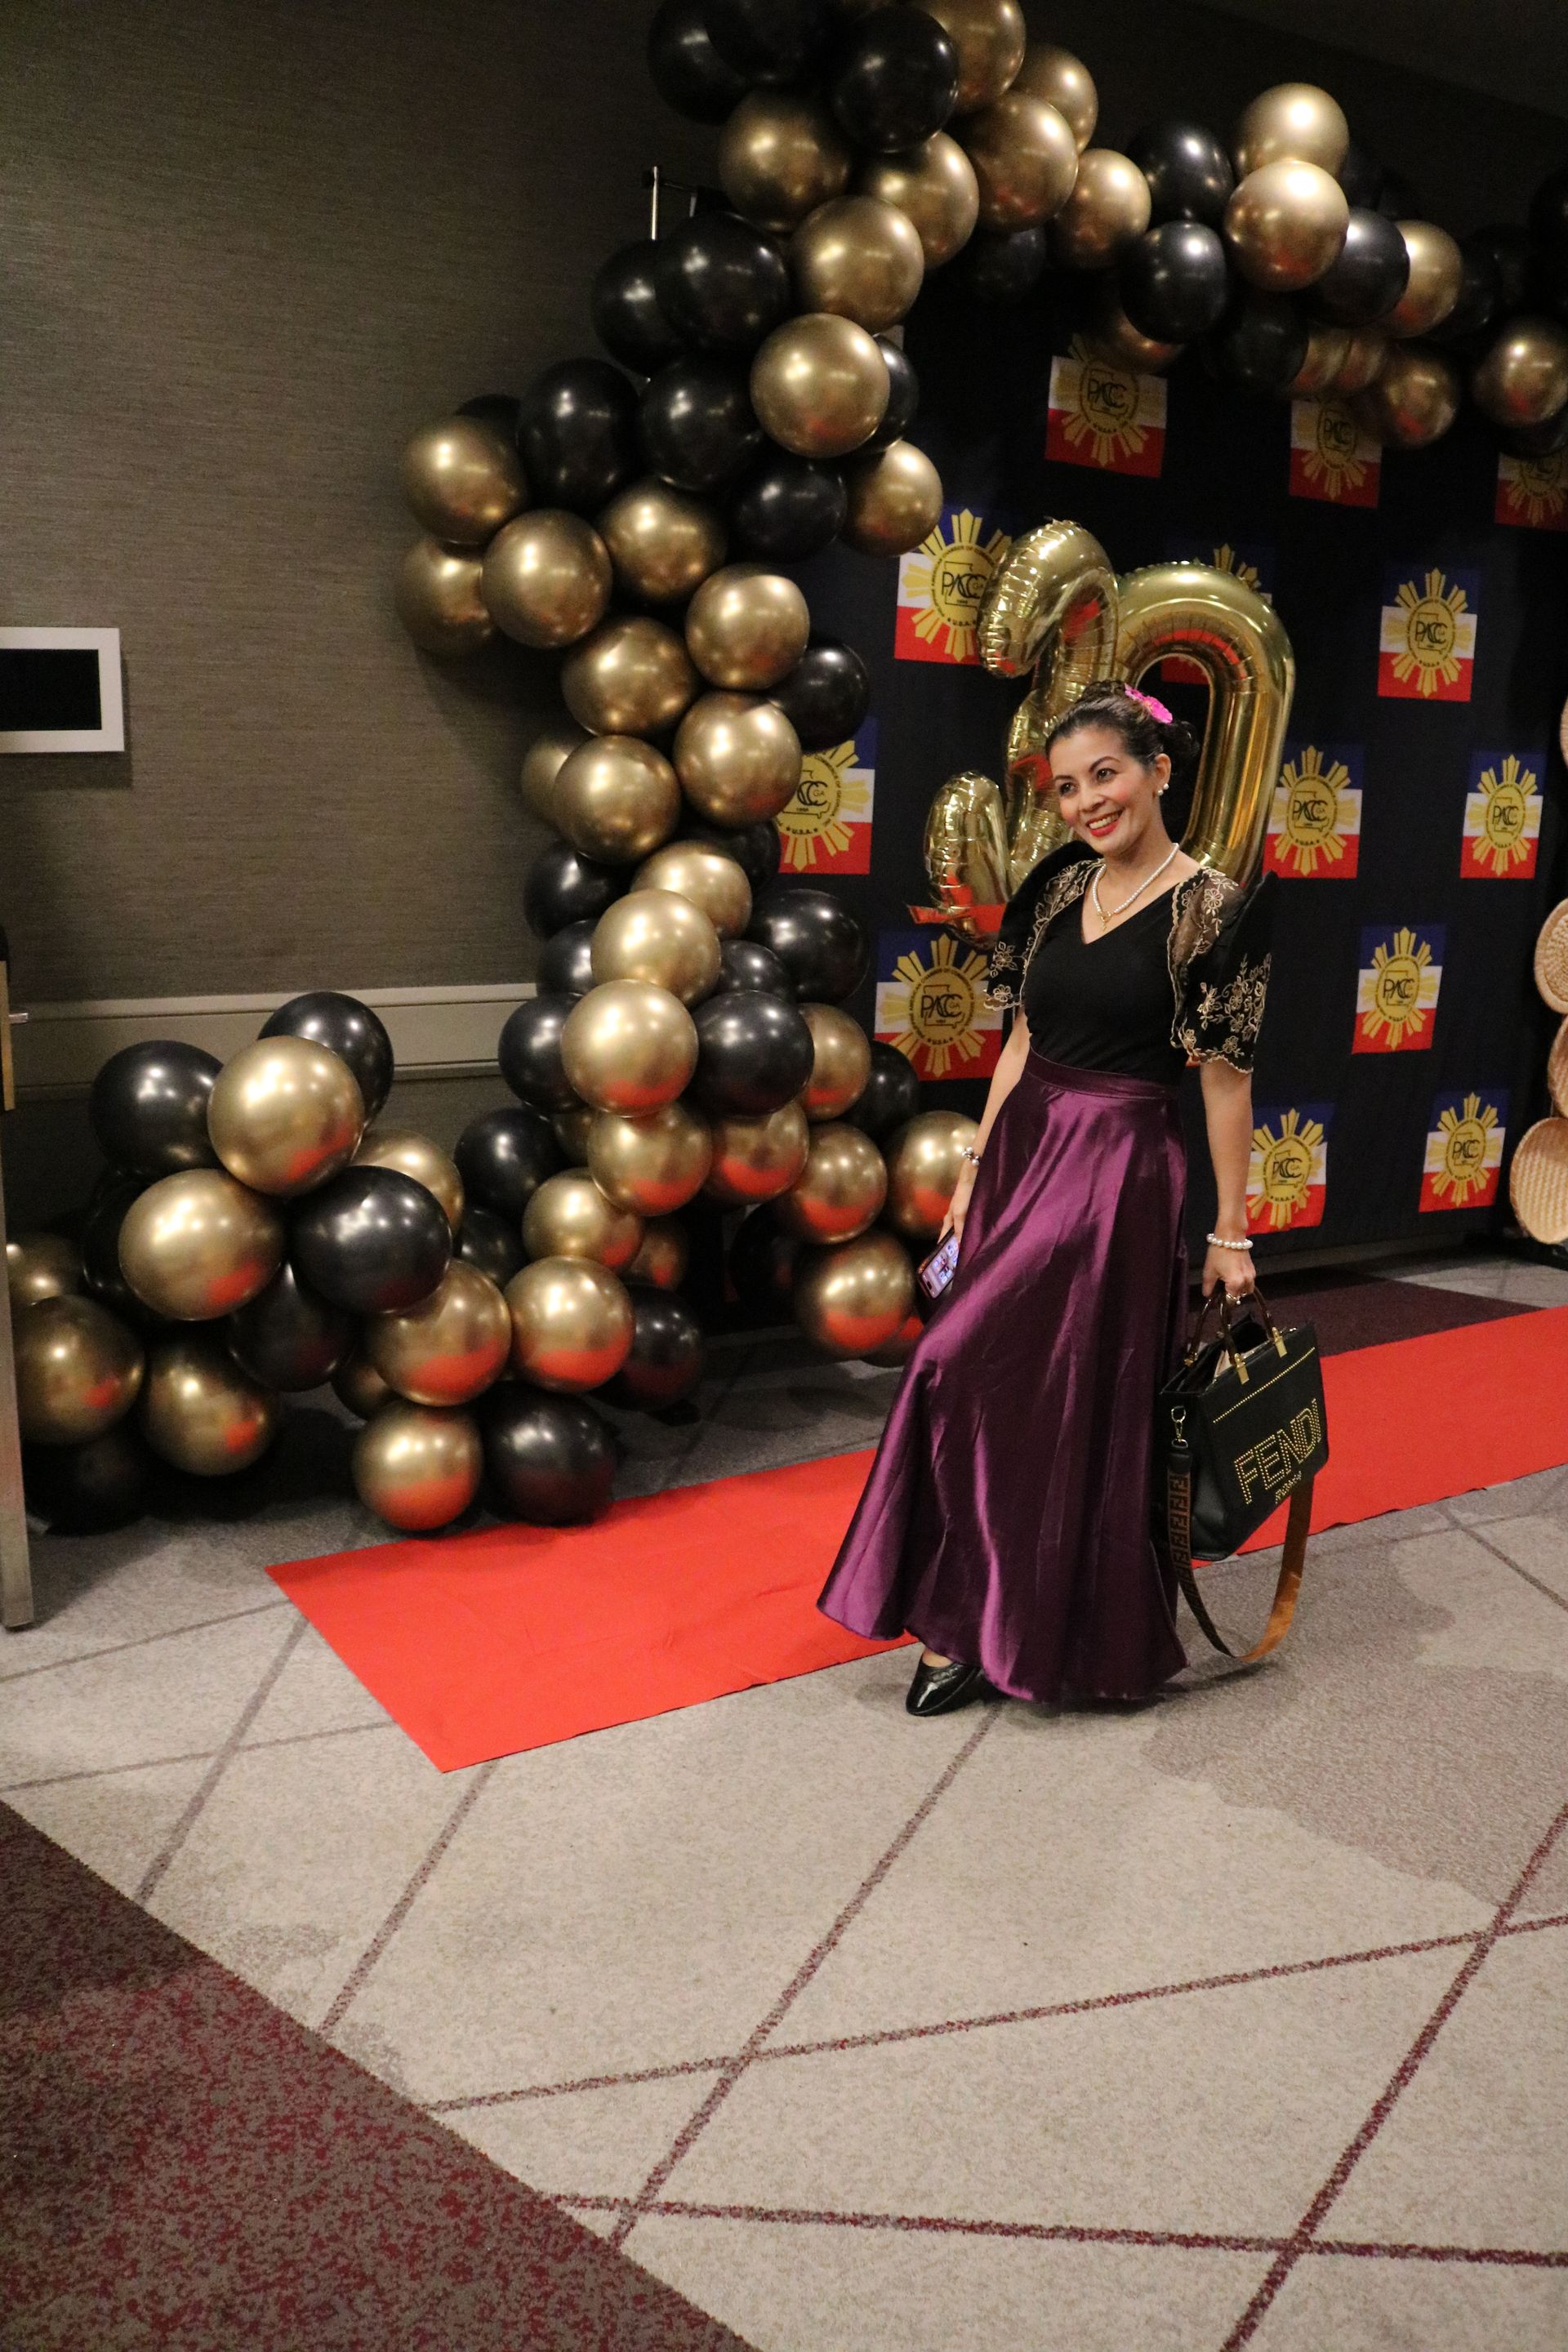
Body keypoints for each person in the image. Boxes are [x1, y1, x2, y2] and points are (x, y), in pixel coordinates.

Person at [817, 682, 1273, 1717]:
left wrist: (1232, 1232)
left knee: (971, 1368)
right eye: (1067, 787)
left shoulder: (1213, 909)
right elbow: (1022, 1038)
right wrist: (975, 1170)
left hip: (1115, 1174)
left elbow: (1225, 1082)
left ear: (1159, 772)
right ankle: (984, 1620)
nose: (1086, 802)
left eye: (1105, 775)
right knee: (1016, 1391)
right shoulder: (1062, 886)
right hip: (1026, 1150)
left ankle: (992, 1626)